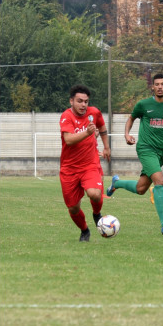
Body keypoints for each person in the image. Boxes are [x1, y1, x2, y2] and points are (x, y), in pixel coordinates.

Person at [106, 73, 163, 235]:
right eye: (157, 84)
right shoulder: (143, 104)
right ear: (153, 87)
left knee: (141, 188)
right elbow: (131, 119)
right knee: (160, 181)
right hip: (146, 149)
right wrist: (127, 134)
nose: (160, 87)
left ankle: (116, 183)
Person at [59, 85, 110, 242]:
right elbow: (68, 139)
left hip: (90, 164)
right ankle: (85, 230)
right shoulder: (66, 116)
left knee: (94, 194)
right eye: (79, 101)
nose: (83, 105)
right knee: (73, 207)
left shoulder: (94, 112)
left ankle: (96, 214)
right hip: (69, 168)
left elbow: (101, 126)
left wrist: (106, 147)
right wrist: (87, 133)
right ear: (71, 101)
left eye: (86, 102)